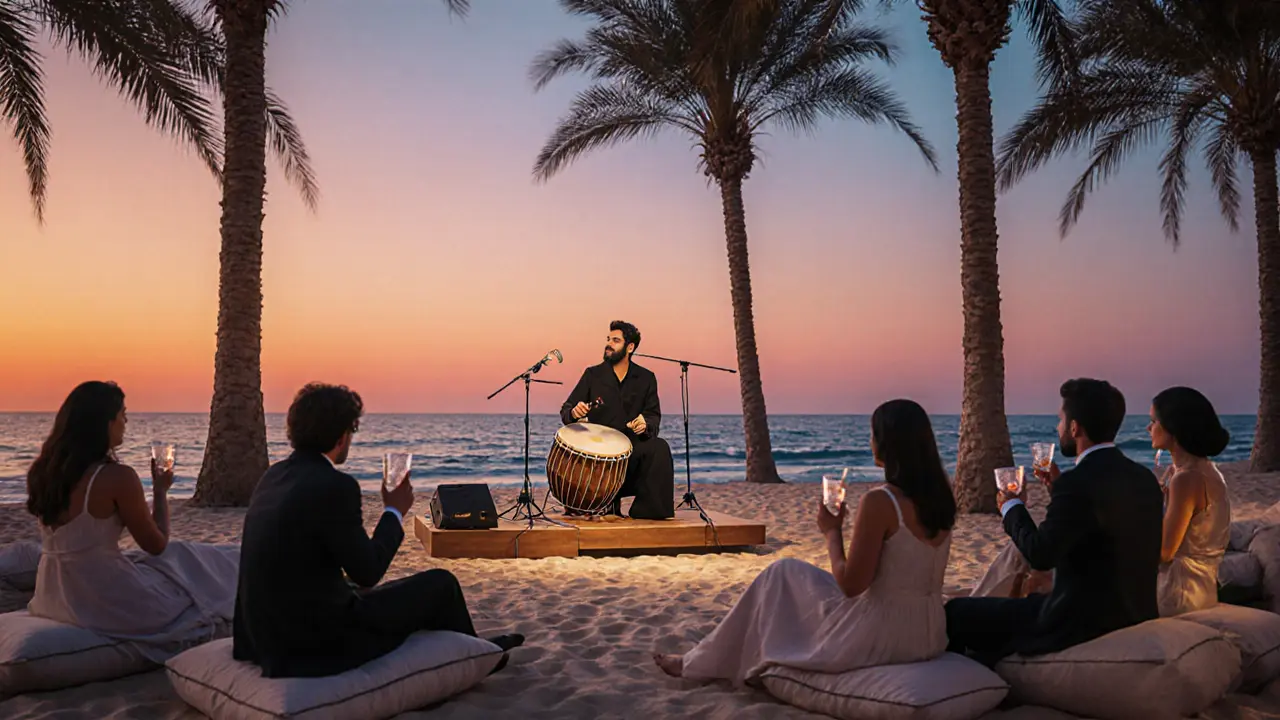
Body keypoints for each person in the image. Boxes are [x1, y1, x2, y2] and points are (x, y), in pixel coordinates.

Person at [653, 399, 955, 685]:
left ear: (888, 444)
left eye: (873, 435)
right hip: (929, 633)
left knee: (780, 572)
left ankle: (696, 663)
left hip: (885, 637)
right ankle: (709, 658)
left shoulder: (880, 501)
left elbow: (851, 586)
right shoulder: (941, 498)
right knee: (792, 578)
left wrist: (832, 531)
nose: (871, 442)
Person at [232, 382, 524, 678]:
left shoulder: (273, 476)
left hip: (257, 640)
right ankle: (479, 657)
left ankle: (476, 650)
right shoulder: (334, 486)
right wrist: (394, 509)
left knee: (372, 593)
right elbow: (369, 572)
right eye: (352, 430)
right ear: (342, 436)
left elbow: (311, 557)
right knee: (441, 584)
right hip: (312, 645)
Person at [945, 378, 1164, 666]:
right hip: (1135, 611)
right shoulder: (1144, 478)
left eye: (1061, 420)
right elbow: (1100, 531)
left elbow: (1040, 554)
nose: (1059, 428)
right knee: (1006, 611)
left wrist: (1012, 506)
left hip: (1077, 621)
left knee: (956, 612)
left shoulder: (1078, 483)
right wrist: (1057, 489)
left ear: (1075, 428)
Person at [26, 381, 239, 662]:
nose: (126, 422)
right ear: (105, 421)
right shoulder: (117, 477)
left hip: (52, 592)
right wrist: (160, 491)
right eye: (122, 414)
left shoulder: (42, 473)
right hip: (104, 598)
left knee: (183, 556)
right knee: (186, 560)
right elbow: (157, 544)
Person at [559, 320, 675, 519]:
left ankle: (647, 512)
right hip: (599, 455)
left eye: (615, 340)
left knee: (660, 447)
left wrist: (645, 425)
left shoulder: (646, 377)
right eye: (608, 339)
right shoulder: (593, 374)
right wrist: (574, 413)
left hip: (630, 451)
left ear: (630, 347)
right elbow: (566, 410)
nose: (609, 344)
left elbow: (653, 416)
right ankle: (596, 502)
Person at [1149, 386, 1232, 617]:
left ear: (1172, 428)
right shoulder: (1206, 471)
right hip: (1203, 588)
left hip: (1178, 593)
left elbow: (1165, 552)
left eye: (1153, 421)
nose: (1149, 428)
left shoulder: (1186, 479)